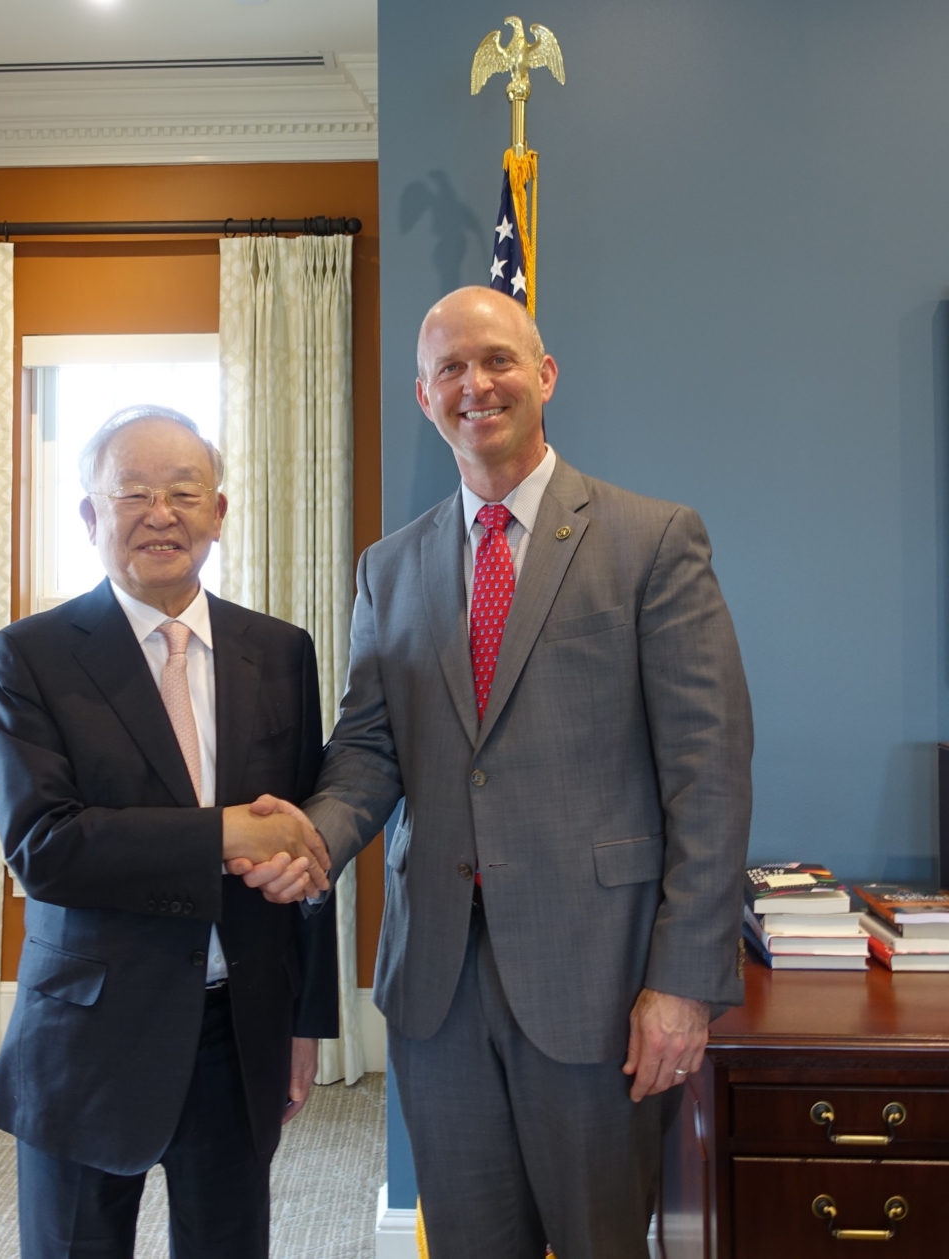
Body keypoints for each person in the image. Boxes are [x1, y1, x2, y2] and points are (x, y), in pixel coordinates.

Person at [260, 287, 753, 1257]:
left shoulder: (651, 541)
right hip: (437, 987)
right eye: (450, 368)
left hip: (600, 980)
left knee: (601, 1240)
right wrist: (311, 836)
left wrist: (685, 982)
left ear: (544, 375)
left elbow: (711, 770)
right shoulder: (389, 568)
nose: (474, 384)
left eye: (496, 359)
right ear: (422, 395)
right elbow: (370, 746)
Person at [0, 404, 337, 1259]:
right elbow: (46, 846)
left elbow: (302, 844)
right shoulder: (30, 655)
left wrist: (306, 1020)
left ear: (219, 512)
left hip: (237, 1026)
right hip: (88, 1036)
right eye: (133, 493)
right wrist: (221, 836)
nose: (160, 513)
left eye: (183, 492)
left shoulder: (281, 652)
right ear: (91, 515)